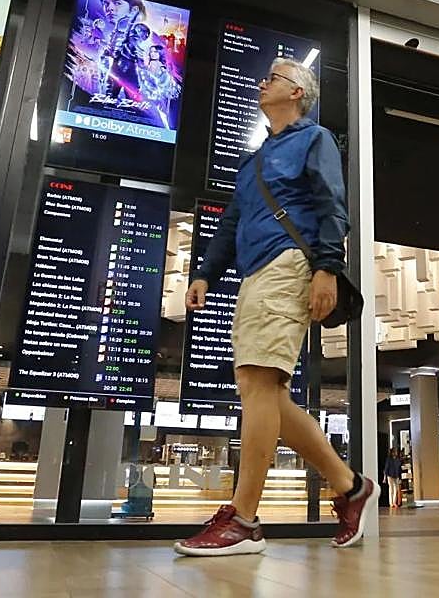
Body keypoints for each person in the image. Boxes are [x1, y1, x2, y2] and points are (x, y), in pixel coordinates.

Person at [175, 57, 372, 557]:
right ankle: (351, 487)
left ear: (298, 95)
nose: (262, 82)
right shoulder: (255, 159)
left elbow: (332, 203)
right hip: (255, 272)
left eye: (274, 77)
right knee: (269, 394)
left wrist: (327, 266)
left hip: (290, 263)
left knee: (258, 381)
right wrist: (205, 272)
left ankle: (243, 519)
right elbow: (231, 223)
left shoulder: (315, 139)